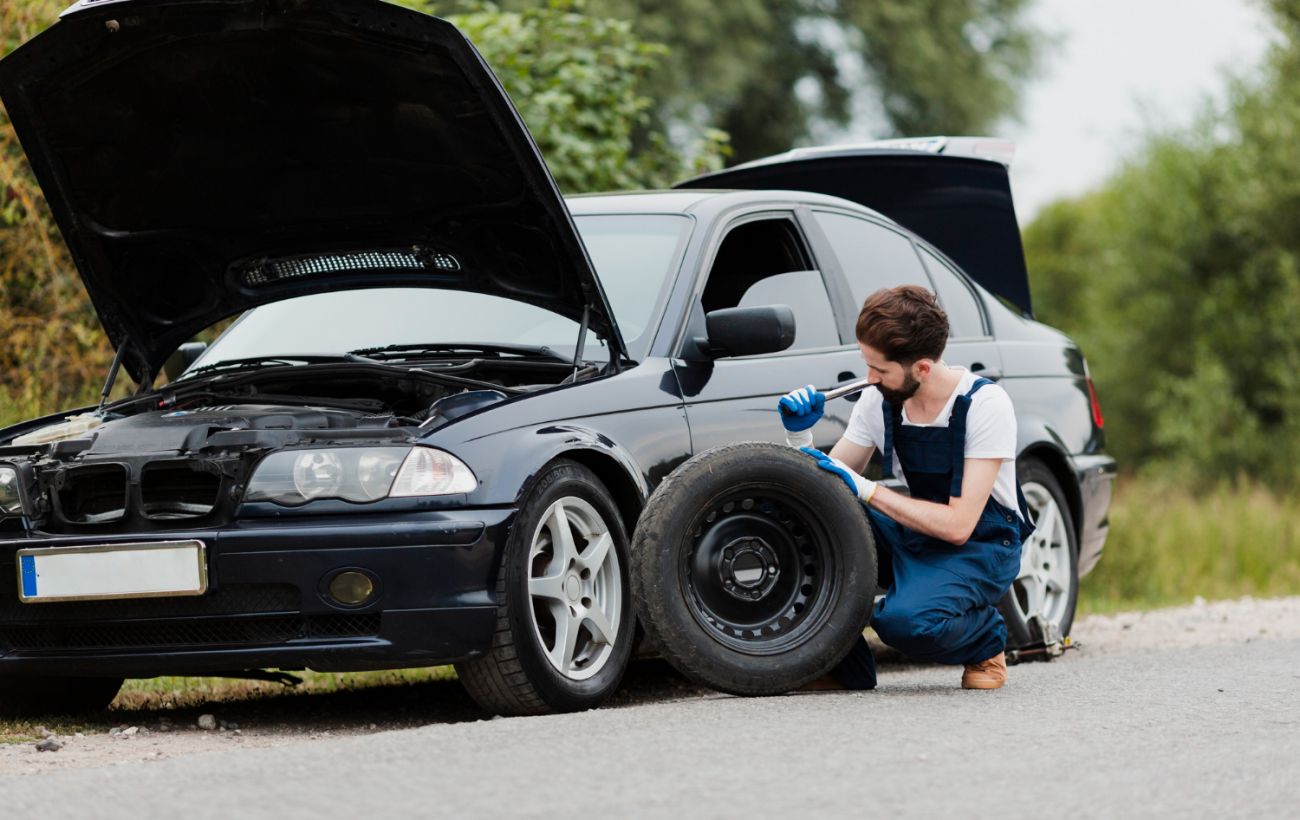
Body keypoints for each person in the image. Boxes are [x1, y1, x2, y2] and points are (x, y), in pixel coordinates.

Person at [778, 285, 1033, 690]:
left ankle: (985, 638)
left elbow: (959, 526)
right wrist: (800, 438)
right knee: (808, 519)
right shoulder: (878, 399)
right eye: (867, 364)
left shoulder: (986, 405)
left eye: (880, 369)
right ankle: (843, 667)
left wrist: (867, 490)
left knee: (904, 624)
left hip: (980, 545)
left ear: (923, 369)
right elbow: (826, 486)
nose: (869, 378)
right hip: (917, 529)